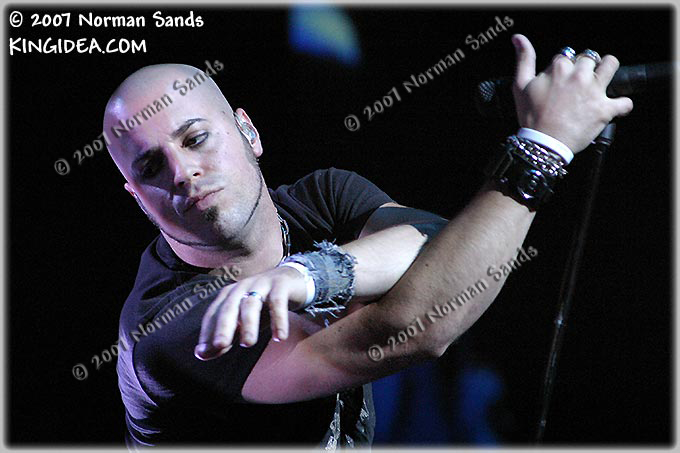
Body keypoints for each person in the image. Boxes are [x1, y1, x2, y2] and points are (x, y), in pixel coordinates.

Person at [105, 34, 632, 449]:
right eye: (151, 167)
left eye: (196, 138)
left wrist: (308, 274)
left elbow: (436, 241)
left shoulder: (323, 198)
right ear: (135, 196)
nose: (183, 173)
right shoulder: (166, 328)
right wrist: (544, 145)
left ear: (249, 132)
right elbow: (413, 328)